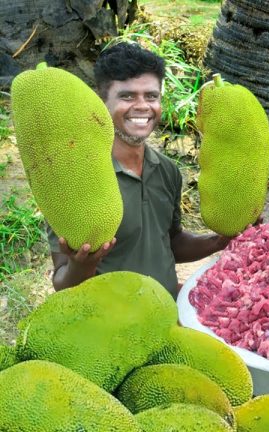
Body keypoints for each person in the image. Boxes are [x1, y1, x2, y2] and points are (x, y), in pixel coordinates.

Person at [48, 42, 231, 298]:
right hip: (110, 324)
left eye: (151, 96)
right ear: (100, 102)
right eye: (127, 96)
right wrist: (81, 265)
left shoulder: (167, 170)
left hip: (166, 312)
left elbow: (170, 242)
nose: (143, 106)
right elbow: (62, 283)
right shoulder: (73, 178)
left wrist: (218, 241)